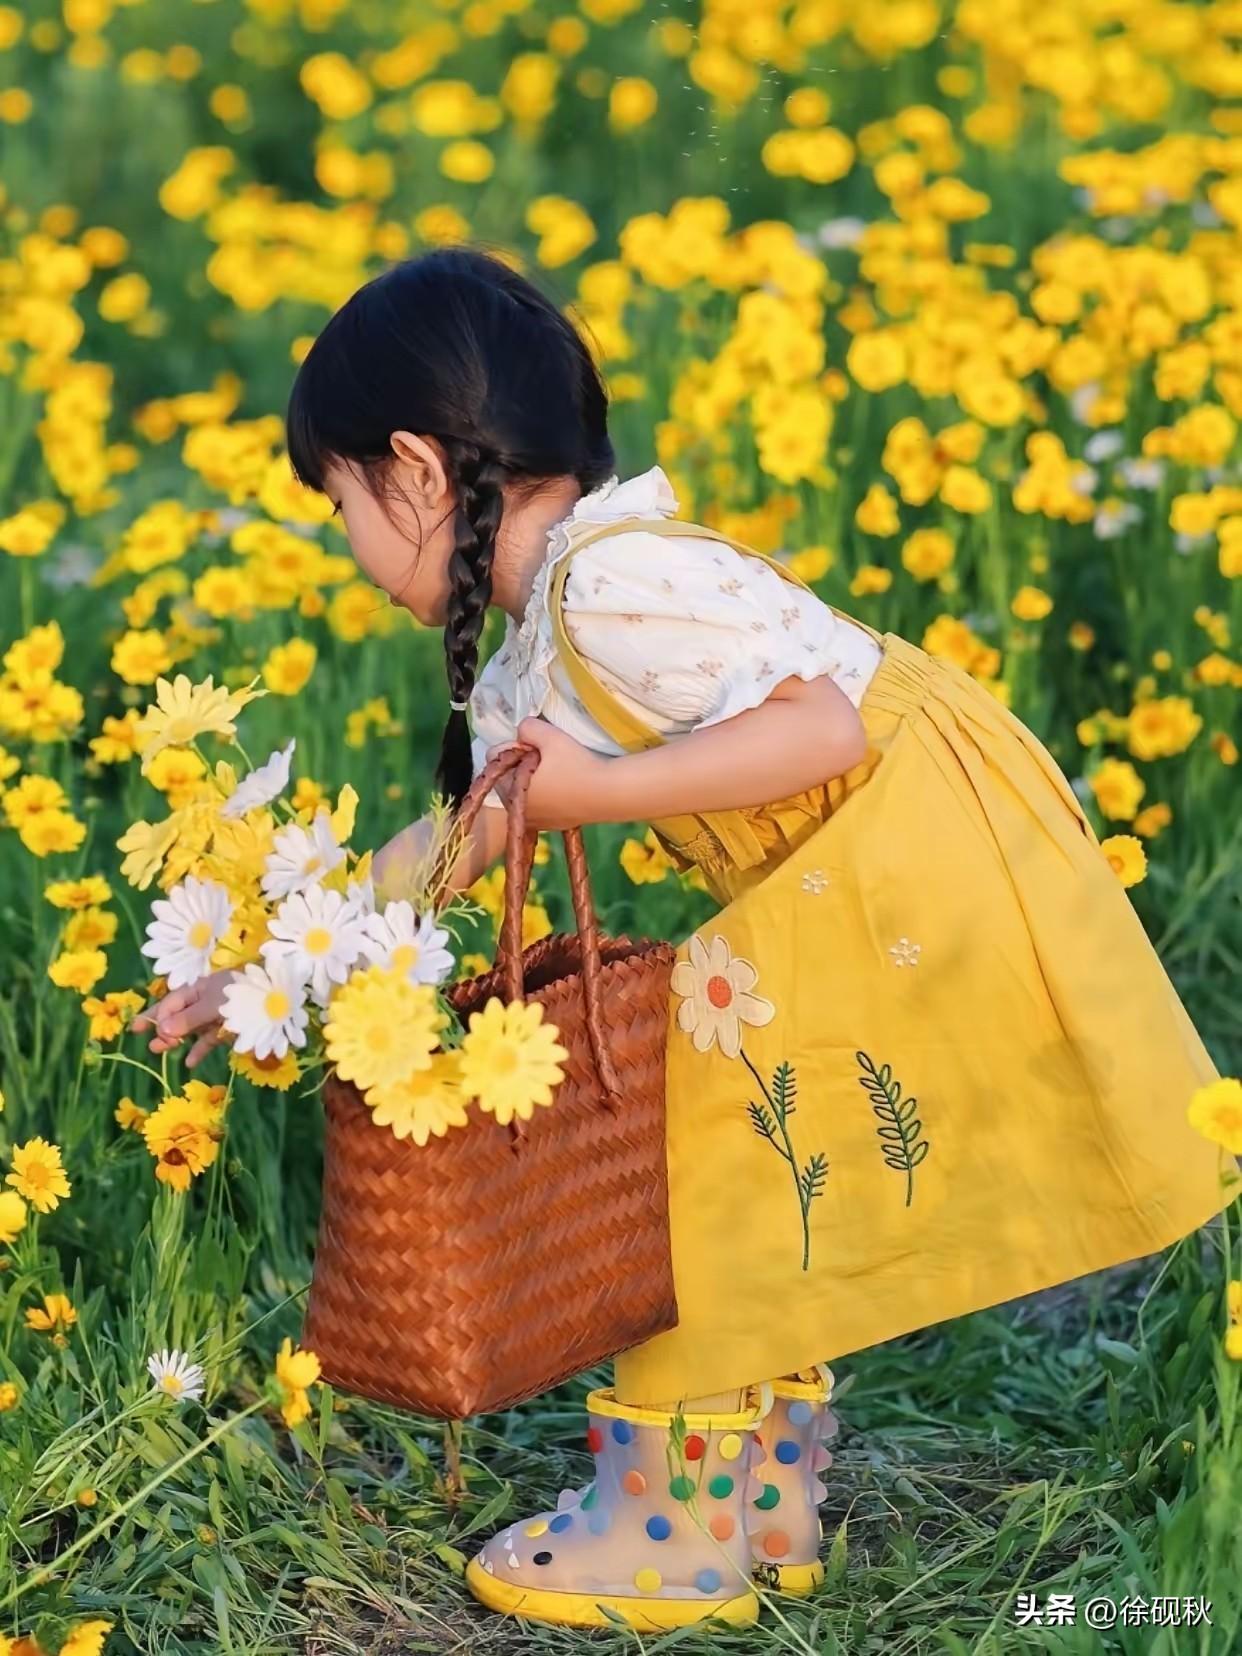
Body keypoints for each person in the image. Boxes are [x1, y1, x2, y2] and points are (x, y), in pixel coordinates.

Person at [133, 248, 1235, 1633]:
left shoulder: (616, 587)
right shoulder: (553, 619)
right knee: (760, 1155)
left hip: (913, 862)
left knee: (700, 1158)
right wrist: (273, 973)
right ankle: (757, 1496)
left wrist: (592, 792)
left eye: (339, 501)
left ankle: (676, 1528)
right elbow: (463, 842)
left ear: (415, 469)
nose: (348, 543)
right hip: (859, 874)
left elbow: (817, 730)